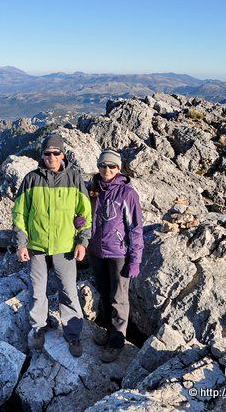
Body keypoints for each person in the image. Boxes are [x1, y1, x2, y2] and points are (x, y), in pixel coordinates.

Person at [12, 134, 92, 357]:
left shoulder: (74, 178)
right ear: (42, 156)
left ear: (63, 155)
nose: (52, 157)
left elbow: (85, 214)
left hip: (65, 246)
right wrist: (21, 244)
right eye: (47, 153)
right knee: (38, 291)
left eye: (56, 153)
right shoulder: (30, 180)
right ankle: (38, 328)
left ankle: (73, 335)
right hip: (36, 246)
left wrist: (82, 241)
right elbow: (19, 214)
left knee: (68, 291)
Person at [88, 150, 144, 363]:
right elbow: (83, 214)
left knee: (118, 297)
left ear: (119, 169)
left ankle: (117, 341)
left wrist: (135, 259)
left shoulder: (127, 193)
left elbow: (136, 228)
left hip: (118, 253)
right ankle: (109, 332)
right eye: (103, 165)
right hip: (96, 252)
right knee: (103, 293)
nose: (107, 170)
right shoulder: (93, 189)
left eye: (112, 166)